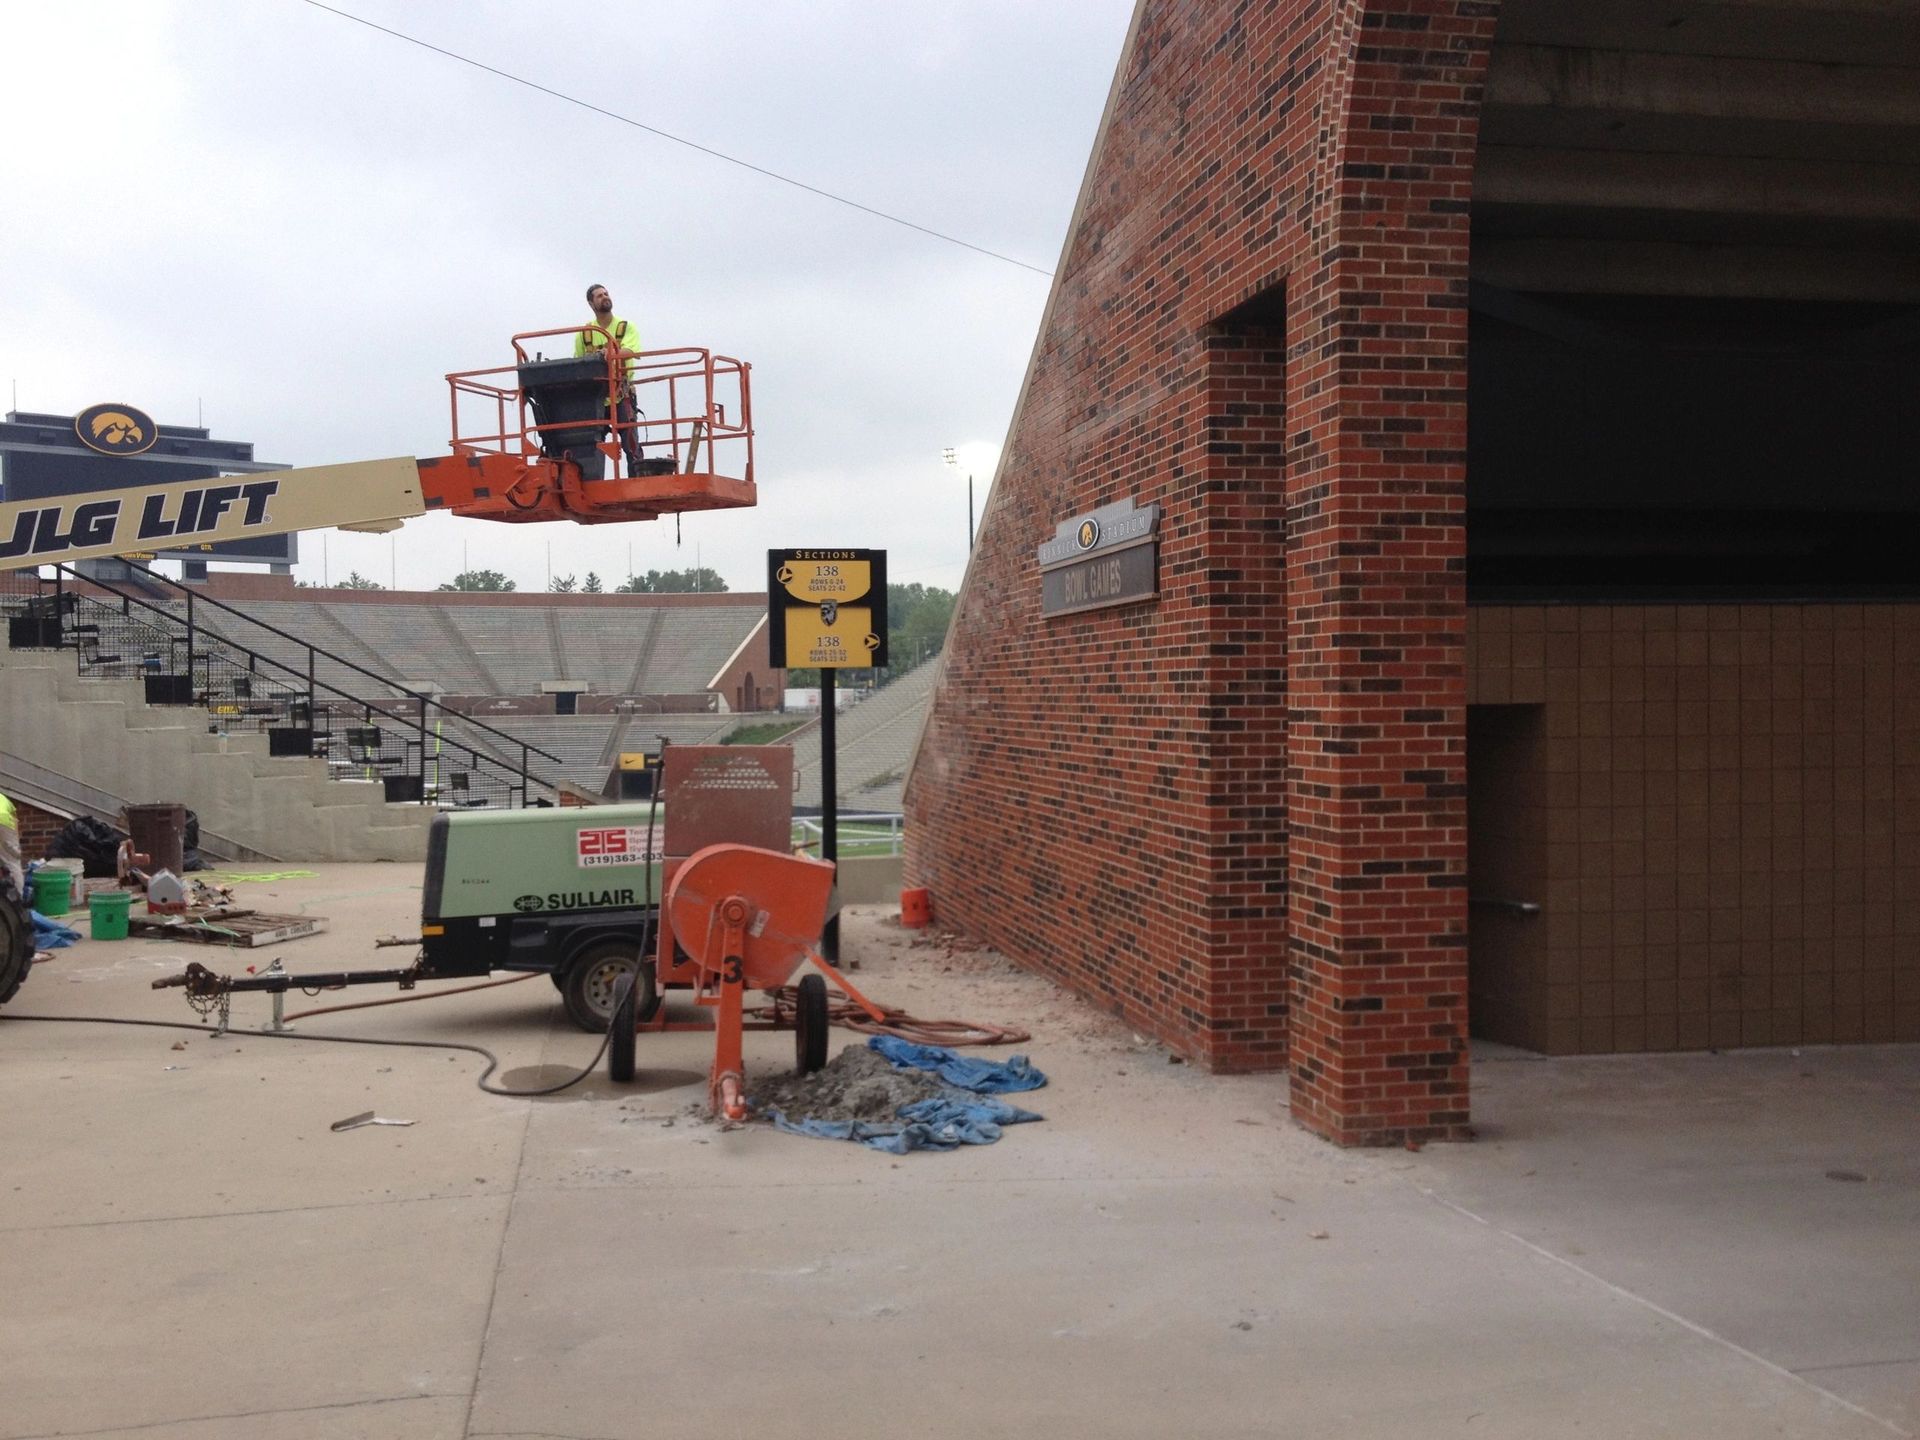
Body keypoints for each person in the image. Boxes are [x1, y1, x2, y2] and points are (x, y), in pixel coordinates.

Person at [575, 283, 644, 476]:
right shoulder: (585, 333)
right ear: (591, 303)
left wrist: (611, 352)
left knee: (630, 441)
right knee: (590, 443)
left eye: (605, 294)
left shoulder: (624, 327)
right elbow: (577, 362)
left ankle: (636, 481)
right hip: (595, 397)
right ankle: (591, 482)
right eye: (599, 296)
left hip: (621, 394)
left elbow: (632, 351)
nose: (604, 297)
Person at [0, 791, 21, 897]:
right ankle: (18, 897)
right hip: (4, 822)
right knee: (13, 861)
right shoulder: (4, 799)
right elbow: (15, 821)